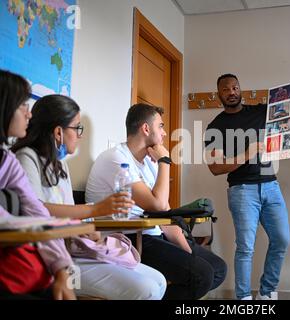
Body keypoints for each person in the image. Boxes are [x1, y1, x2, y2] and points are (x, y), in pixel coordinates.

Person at [11, 94, 167, 300]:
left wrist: (87, 229)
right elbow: (36, 210)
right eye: (77, 128)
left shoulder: (60, 165)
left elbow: (67, 213)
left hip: (71, 248)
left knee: (159, 281)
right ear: (58, 132)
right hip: (51, 257)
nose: (80, 135)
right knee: (147, 289)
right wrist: (96, 210)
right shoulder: (26, 157)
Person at [85, 103, 227, 300]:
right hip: (130, 238)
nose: (165, 133)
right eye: (160, 126)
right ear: (145, 128)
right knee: (202, 275)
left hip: (154, 234)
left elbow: (165, 212)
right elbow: (157, 205)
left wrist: (187, 248)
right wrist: (165, 161)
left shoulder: (147, 163)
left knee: (218, 269)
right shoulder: (116, 158)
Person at [204, 74, 290, 300]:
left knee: (282, 239)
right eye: (226, 89)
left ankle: (267, 293)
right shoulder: (216, 126)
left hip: (271, 186)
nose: (231, 92)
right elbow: (215, 167)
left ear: (241, 89)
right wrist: (246, 154)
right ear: (218, 95)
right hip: (242, 190)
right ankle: (242, 298)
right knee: (246, 248)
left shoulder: (260, 112)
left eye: (235, 87)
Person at [0, 70, 75, 300]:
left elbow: (37, 210)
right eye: (22, 106)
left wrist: (63, 269)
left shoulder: (8, 160)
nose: (28, 115)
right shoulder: (25, 157)